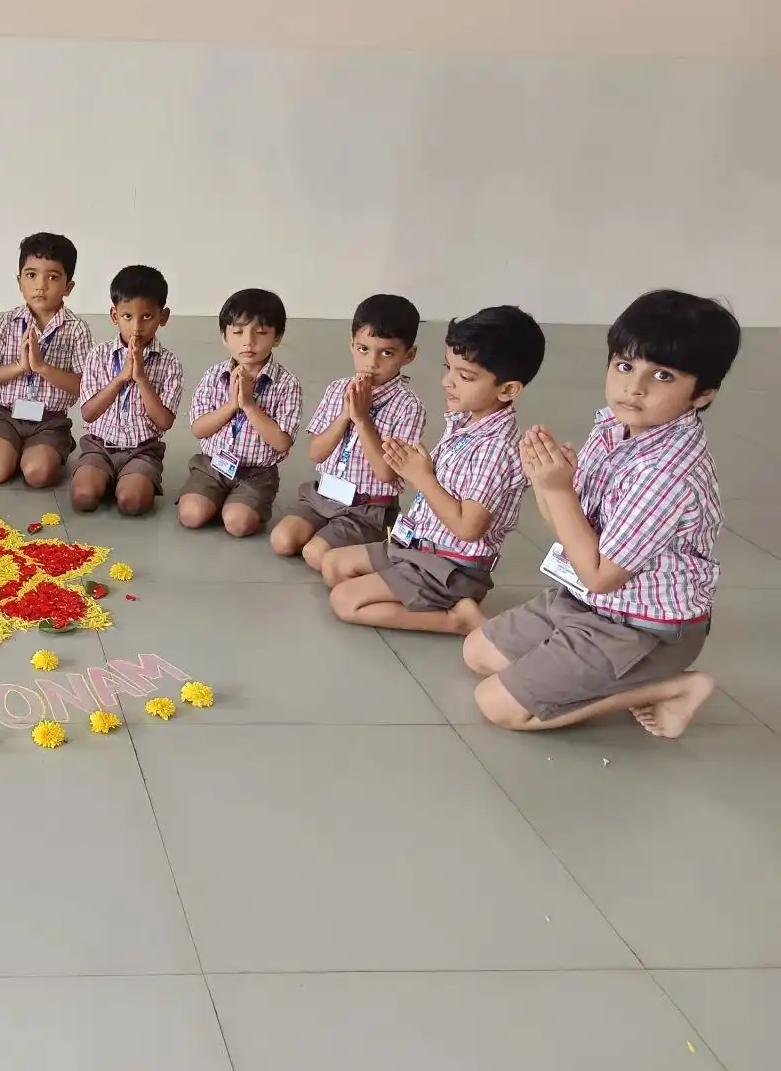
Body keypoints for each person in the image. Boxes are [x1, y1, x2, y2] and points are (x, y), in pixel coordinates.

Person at [463, 290, 740, 738]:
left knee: (498, 705)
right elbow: (569, 537)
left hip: (643, 627)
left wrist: (557, 488)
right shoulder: (613, 426)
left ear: (703, 395)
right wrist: (546, 482)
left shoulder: (667, 474)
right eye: (625, 366)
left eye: (663, 375)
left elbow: (599, 575)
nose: (634, 387)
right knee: (478, 653)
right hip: (587, 599)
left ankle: (671, 687)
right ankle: (577, 661)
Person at [323, 306, 545, 634]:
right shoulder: (464, 422)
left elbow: (468, 528)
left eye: (465, 376)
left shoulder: (496, 448)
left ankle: (457, 619)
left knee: (345, 601)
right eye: (449, 368)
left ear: (508, 390)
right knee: (332, 564)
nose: (447, 382)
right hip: (418, 547)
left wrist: (421, 476)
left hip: (450, 565)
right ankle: (413, 592)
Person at [270, 294, 426, 571]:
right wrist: (346, 414)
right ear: (352, 345)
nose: (372, 362)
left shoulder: (408, 406)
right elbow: (316, 453)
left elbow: (387, 474)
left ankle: (379, 544)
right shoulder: (337, 389)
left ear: (409, 355)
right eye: (364, 349)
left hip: (367, 508)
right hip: (323, 496)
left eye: (387, 353)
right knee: (282, 540)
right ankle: (338, 538)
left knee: (316, 554)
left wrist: (363, 419)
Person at [177, 289, 301, 537]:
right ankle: (217, 497)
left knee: (238, 524)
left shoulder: (286, 384)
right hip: (213, 464)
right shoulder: (214, 375)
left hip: (257, 473)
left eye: (261, 333)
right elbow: (198, 428)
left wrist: (249, 405)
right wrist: (232, 404)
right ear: (224, 336)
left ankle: (241, 503)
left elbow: (281, 441)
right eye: (237, 332)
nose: (248, 342)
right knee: (191, 515)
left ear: (277, 337)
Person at [0, 233, 94, 487]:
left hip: (50, 420)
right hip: (6, 415)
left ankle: (57, 444)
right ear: (19, 281)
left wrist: (42, 368)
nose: (41, 285)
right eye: (31, 275)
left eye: (52, 277)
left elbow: (85, 387)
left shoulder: (77, 329)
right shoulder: (6, 322)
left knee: (37, 475)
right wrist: (20, 367)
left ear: (68, 287)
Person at [69, 265, 184, 515]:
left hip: (142, 450)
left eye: (147, 317)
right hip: (99, 446)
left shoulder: (170, 363)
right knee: (83, 497)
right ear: (114, 316)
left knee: (132, 504)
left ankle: (131, 479)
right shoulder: (98, 355)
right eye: (127, 317)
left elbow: (164, 422)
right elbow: (88, 414)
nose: (137, 328)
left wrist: (141, 378)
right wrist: (121, 378)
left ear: (162, 317)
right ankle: (106, 476)